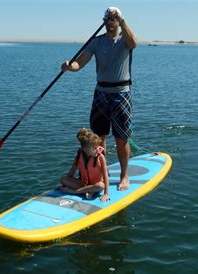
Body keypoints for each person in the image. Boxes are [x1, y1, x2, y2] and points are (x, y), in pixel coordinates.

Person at [61, 7, 138, 191]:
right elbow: (79, 63)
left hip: (121, 93)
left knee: (121, 138)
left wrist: (122, 19)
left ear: (118, 21)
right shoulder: (96, 42)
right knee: (99, 137)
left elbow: (134, 42)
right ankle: (102, 175)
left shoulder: (124, 40)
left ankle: (124, 176)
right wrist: (69, 66)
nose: (110, 21)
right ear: (103, 21)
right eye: (107, 18)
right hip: (101, 93)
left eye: (113, 19)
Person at [60, 128, 110, 202]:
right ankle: (89, 191)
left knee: (101, 186)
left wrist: (106, 193)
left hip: (96, 184)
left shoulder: (100, 157)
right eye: (94, 148)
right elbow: (71, 172)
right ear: (85, 149)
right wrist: (66, 183)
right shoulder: (79, 156)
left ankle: (75, 191)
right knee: (63, 179)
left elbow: (106, 176)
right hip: (84, 184)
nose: (97, 149)